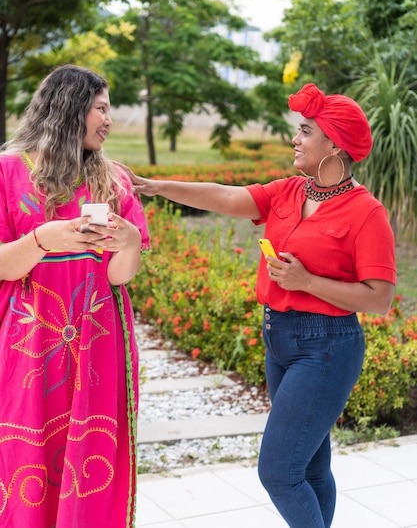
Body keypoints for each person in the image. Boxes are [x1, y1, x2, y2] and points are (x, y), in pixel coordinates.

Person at [129, 82, 396, 528]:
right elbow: (228, 196)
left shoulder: (366, 213)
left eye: (305, 131)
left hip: (327, 347)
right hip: (281, 340)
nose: (295, 138)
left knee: (278, 472)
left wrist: (307, 281)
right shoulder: (291, 191)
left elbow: (380, 299)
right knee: (309, 466)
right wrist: (155, 186)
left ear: (334, 144)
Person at [0, 65, 150, 527]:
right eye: (101, 108)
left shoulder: (114, 179)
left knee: (93, 459)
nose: (109, 119)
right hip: (30, 344)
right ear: (69, 109)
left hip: (99, 340)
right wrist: (43, 239)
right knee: (25, 454)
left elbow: (120, 277)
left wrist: (126, 246)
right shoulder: (8, 171)